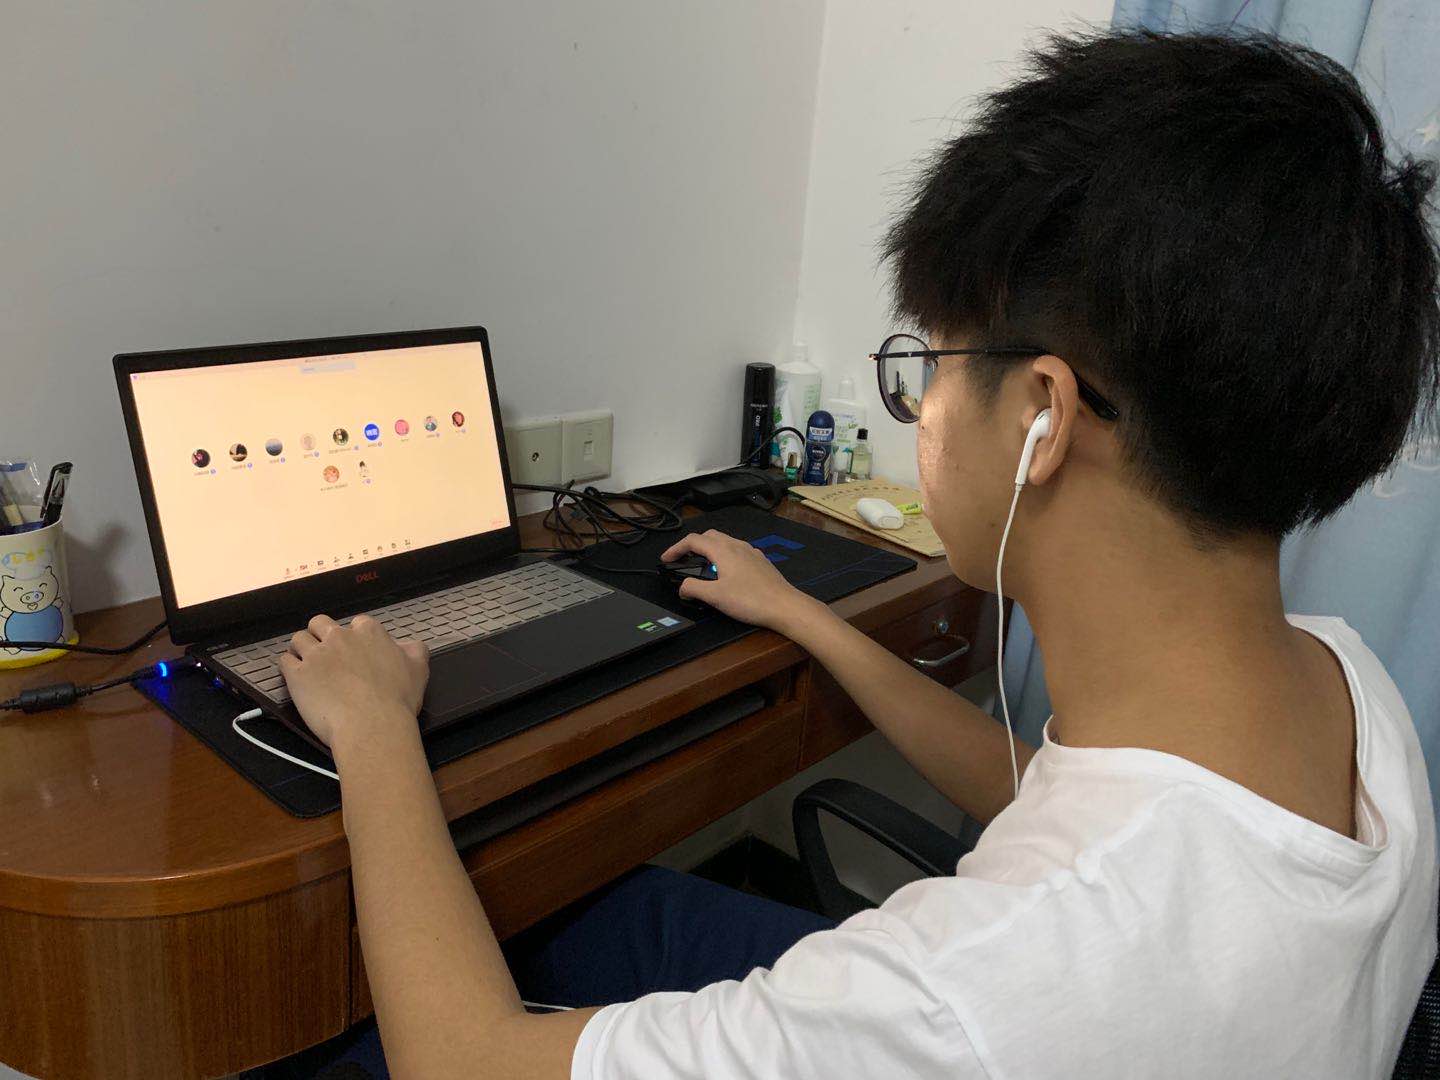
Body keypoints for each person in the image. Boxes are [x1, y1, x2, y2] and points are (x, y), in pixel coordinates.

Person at [274, 28, 1439, 1079]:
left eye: (927, 365)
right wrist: (803, 615)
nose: (920, 409)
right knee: (598, 912)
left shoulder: (973, 991)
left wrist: (374, 727)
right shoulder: (1346, 690)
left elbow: (461, 1062)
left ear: (1043, 417)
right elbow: (1044, 795)